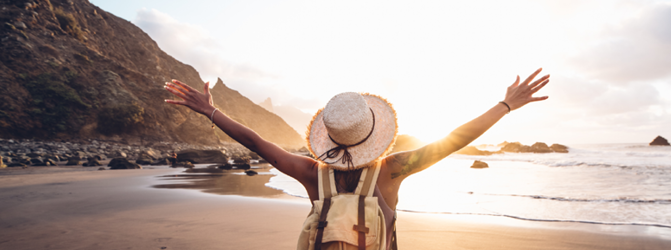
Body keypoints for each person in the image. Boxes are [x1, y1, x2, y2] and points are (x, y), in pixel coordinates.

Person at [164, 68, 550, 249]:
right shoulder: (393, 168)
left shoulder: (311, 172)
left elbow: (256, 141)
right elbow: (454, 140)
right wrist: (505, 106)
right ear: (375, 134)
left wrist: (211, 112)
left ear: (328, 136)